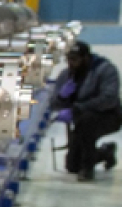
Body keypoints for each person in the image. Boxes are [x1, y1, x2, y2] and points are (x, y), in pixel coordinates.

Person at [51, 41, 121, 181]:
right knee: (72, 165)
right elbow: (53, 103)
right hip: (81, 119)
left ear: (86, 58)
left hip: (109, 116)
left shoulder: (105, 70)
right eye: (68, 60)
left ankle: (87, 169)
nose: (71, 63)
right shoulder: (67, 75)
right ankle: (105, 152)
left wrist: (79, 108)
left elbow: (109, 99)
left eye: (75, 60)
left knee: (87, 121)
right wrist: (61, 97)